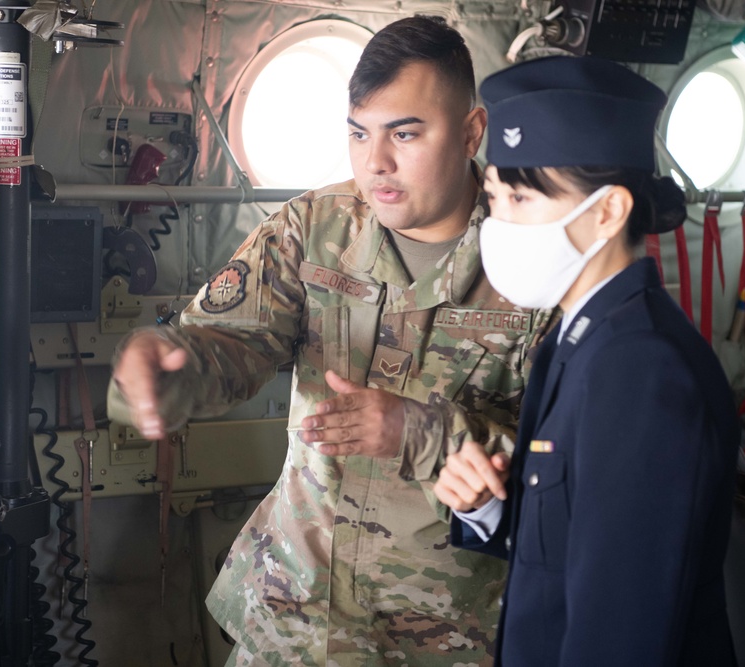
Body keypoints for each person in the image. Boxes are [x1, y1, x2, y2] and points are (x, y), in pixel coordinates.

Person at [110, 15, 553, 667]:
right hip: (297, 619)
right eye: (358, 133)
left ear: (471, 132)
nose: (376, 162)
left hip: (445, 636)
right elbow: (227, 347)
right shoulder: (314, 229)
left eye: (405, 133)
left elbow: (570, 468)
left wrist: (421, 433)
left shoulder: (532, 268)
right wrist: (161, 371)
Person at [434, 55, 739, 666]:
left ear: (607, 212)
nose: (499, 223)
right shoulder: (584, 336)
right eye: (494, 197)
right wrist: (491, 508)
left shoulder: (640, 370)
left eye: (521, 198)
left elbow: (623, 626)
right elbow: (573, 549)